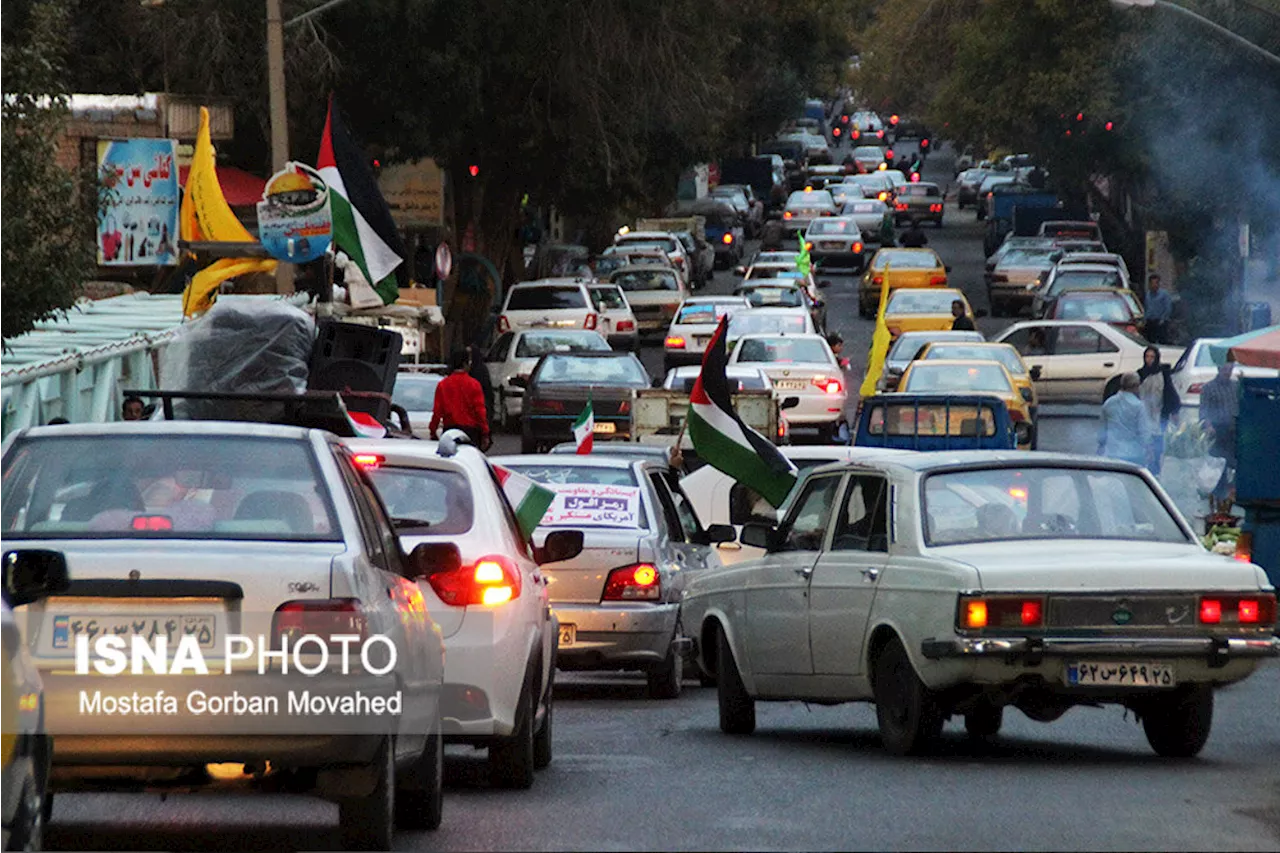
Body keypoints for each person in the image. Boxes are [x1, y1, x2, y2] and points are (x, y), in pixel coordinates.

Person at [429, 349, 491, 450]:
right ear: (465, 364)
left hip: (449, 430)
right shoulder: (474, 384)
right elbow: (480, 411)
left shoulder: (443, 385)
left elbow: (437, 411)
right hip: (471, 432)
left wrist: (433, 430)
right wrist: (485, 432)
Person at [1137, 345, 1181, 474]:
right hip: (1144, 414)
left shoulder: (1163, 374)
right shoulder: (1140, 374)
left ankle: (1155, 470)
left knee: (1157, 444)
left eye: (1152, 357)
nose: (1149, 360)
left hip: (1159, 414)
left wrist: (1174, 411)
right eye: (1147, 357)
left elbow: (1170, 392)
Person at [1097, 373, 1151, 466]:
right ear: (1135, 386)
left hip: (1112, 453)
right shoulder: (1138, 406)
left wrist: (1101, 446)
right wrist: (1149, 449)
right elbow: (1144, 433)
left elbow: (1102, 430)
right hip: (1133, 454)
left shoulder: (1109, 403)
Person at [1200, 362, 1238, 468]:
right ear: (1219, 369)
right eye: (1225, 369)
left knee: (1233, 462)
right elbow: (1204, 409)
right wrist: (1208, 426)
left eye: (1230, 369)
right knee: (1219, 463)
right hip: (1217, 431)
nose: (1227, 372)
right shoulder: (1208, 387)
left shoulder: (1235, 386)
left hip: (1234, 430)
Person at [1143, 274, 1174, 344]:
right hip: (1150, 322)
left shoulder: (1164, 294)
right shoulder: (1148, 295)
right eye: (1152, 283)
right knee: (1150, 341)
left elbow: (1168, 308)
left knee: (1162, 341)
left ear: (1159, 283)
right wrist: (1145, 319)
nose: (1154, 285)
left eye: (1156, 283)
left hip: (1160, 322)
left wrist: (1163, 320)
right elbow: (1146, 307)